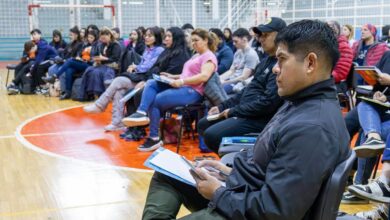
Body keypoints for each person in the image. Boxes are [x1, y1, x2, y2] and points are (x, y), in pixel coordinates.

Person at [141, 19, 350, 220]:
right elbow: (268, 166)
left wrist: (217, 193)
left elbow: (276, 212)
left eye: (282, 59)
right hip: (242, 193)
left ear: (310, 63)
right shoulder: (300, 102)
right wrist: (229, 172)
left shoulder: (312, 128)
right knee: (167, 174)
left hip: (248, 210)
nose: (276, 68)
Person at [122, 28, 219, 152]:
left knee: (156, 100)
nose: (194, 43)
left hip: (193, 92)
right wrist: (173, 76)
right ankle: (141, 113)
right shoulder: (196, 55)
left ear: (205, 40)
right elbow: (188, 74)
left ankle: (154, 137)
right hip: (184, 86)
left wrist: (182, 81)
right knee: (151, 83)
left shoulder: (209, 57)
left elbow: (204, 76)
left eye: (196, 40)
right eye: (192, 41)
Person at [197, 19, 284, 153]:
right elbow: (248, 90)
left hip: (260, 117)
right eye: (259, 35)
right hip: (247, 110)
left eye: (265, 35)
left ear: (280, 35)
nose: (260, 39)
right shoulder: (265, 61)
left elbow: (268, 103)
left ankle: (239, 163)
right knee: (203, 124)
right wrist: (222, 107)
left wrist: (233, 111)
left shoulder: (280, 64)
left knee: (212, 135)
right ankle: (232, 159)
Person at [83, 27, 189, 131]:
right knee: (118, 90)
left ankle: (101, 106)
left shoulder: (161, 50)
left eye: (150, 36)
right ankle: (117, 122)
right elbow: (151, 68)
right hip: (145, 77)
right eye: (146, 35)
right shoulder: (151, 50)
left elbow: (150, 68)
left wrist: (138, 70)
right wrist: (138, 68)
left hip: (148, 79)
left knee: (118, 81)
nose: (146, 38)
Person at [44, 30, 100, 99]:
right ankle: (68, 92)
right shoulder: (85, 45)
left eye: (91, 38)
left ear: (95, 38)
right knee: (69, 69)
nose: (89, 39)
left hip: (89, 64)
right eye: (88, 37)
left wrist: (87, 60)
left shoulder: (97, 46)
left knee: (70, 61)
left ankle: (54, 76)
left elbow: (96, 57)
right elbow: (79, 53)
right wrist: (79, 57)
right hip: (81, 62)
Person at [79, 27, 122, 98]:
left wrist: (104, 58)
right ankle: (88, 93)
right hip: (103, 64)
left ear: (109, 35)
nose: (102, 40)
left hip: (112, 66)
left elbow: (115, 58)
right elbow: (100, 55)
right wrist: (98, 59)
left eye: (104, 38)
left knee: (96, 72)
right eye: (102, 38)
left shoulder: (116, 45)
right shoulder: (102, 45)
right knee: (89, 70)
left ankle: (100, 93)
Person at [220, 28, 259, 94]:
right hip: (231, 80)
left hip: (239, 84)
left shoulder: (251, 54)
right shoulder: (238, 52)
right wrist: (219, 78)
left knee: (217, 91)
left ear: (244, 40)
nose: (234, 44)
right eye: (233, 41)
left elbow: (244, 77)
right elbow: (231, 70)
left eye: (236, 41)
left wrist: (225, 82)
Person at [29, 29, 58, 93]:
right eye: (32, 35)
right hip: (46, 60)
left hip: (54, 60)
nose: (33, 36)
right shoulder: (35, 43)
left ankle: (44, 87)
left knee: (39, 66)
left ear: (40, 35)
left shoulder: (42, 44)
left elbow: (39, 60)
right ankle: (37, 86)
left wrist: (31, 72)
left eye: (35, 34)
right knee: (33, 66)